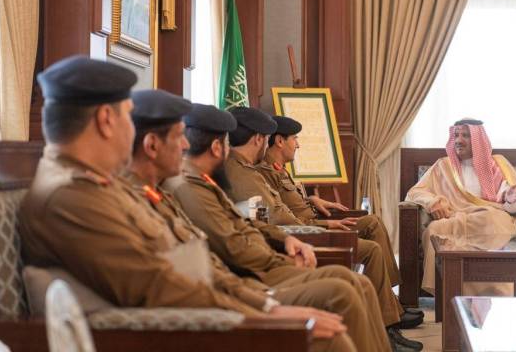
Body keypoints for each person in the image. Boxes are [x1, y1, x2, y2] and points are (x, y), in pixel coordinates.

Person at [18, 56, 352, 352]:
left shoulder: (97, 184)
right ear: (106, 119)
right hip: (174, 331)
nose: (184, 146)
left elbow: (192, 260)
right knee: (330, 333)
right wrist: (268, 313)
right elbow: (156, 284)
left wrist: (263, 304)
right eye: (128, 118)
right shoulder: (70, 197)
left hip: (201, 310)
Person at [162, 103, 423, 351]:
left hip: (266, 261)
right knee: (345, 289)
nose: (184, 145)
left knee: (356, 279)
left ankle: (390, 319)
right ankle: (388, 325)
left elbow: (249, 222)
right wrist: (279, 260)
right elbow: (235, 245)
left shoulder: (208, 180)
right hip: (255, 275)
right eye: (177, 139)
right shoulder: (193, 187)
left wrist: (287, 236)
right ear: (217, 147)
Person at [221, 108, 421, 329]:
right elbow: (274, 219)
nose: (298, 145)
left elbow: (281, 208)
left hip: (301, 232)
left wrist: (312, 200)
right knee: (371, 250)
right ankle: (389, 317)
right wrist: (322, 225)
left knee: (373, 222)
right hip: (302, 237)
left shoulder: (257, 170)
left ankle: (391, 304)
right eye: (295, 139)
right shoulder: (251, 173)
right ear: (268, 140)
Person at [405, 119, 516, 295]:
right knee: (434, 230)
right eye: (456, 135)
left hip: (487, 219)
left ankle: (482, 288)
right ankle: (450, 291)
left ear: (478, 140)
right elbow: (415, 192)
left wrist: (508, 200)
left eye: (465, 135)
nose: (458, 140)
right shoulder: (443, 166)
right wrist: (432, 201)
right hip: (455, 219)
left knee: (491, 221)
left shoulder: (497, 165)